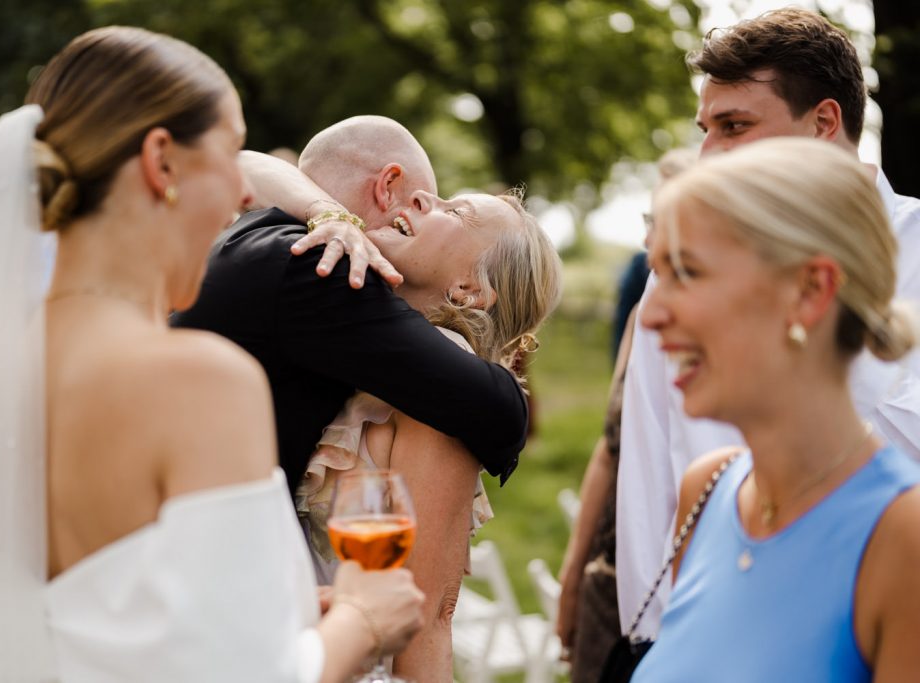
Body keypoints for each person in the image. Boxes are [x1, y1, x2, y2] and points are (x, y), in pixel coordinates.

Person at [0, 26, 425, 683]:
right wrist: (363, 621)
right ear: (162, 162)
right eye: (232, 151)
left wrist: (287, 613)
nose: (244, 193)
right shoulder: (199, 379)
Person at [614, 7, 920, 641]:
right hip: (705, 631)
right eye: (705, 128)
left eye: (734, 126)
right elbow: (649, 470)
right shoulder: (674, 278)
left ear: (824, 123)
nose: (707, 153)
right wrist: (651, 645)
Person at [171, 118, 531, 497]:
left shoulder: (257, 231)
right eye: (421, 198)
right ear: (387, 186)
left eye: (453, 212)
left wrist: (326, 211)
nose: (426, 206)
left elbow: (244, 162)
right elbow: (500, 411)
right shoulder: (323, 267)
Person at [287, 186, 562, 681]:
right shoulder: (371, 353)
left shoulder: (443, 385)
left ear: (467, 290)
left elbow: (430, 616)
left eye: (454, 211)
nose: (419, 197)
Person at [557, 148, 696, 682]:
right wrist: (573, 576)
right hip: (616, 573)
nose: (646, 240)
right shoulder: (646, 312)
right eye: (647, 219)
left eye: (662, 222)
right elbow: (610, 444)